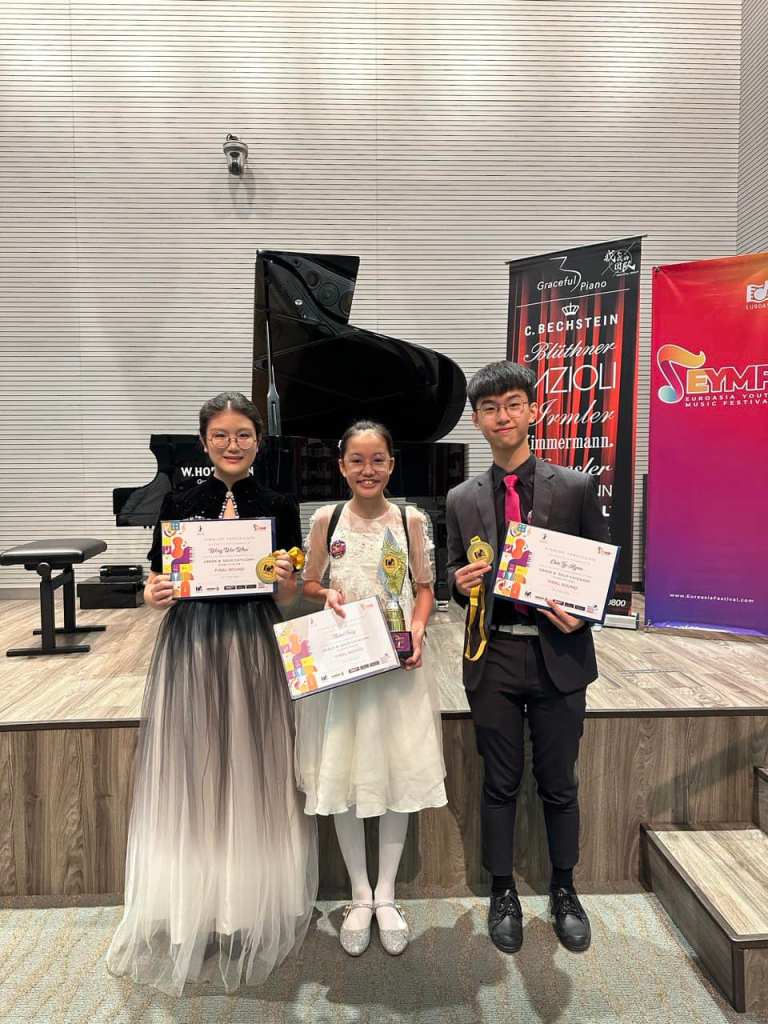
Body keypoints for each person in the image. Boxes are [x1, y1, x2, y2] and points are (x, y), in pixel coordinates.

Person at [106, 391, 318, 996]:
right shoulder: (178, 501)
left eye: (243, 435)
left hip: (253, 643)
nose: (232, 444)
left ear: (258, 441)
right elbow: (159, 580)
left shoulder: (278, 505)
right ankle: (194, 904)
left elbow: (286, 596)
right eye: (221, 435)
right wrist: (153, 594)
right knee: (195, 767)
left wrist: (286, 583)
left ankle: (244, 904)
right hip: (194, 643)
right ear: (204, 443)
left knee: (252, 765)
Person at [446, 361, 609, 955]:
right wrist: (457, 583)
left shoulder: (576, 487)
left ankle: (565, 889)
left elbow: (604, 575)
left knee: (559, 782)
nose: (503, 417)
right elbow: (451, 571)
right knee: (499, 782)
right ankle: (502, 892)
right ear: (477, 420)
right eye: (490, 408)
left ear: (533, 410)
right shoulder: (461, 498)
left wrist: (584, 614)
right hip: (492, 655)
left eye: (513, 404)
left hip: (557, 653)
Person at [295, 420, 446, 956]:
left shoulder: (410, 520)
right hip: (345, 665)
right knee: (343, 768)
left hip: (397, 663)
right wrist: (325, 595)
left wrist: (418, 629)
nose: (368, 470)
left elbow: (424, 588)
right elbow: (309, 581)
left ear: (391, 464)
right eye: (357, 460)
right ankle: (359, 894)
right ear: (341, 466)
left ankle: (386, 895)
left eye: (377, 459)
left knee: (397, 768)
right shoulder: (326, 519)